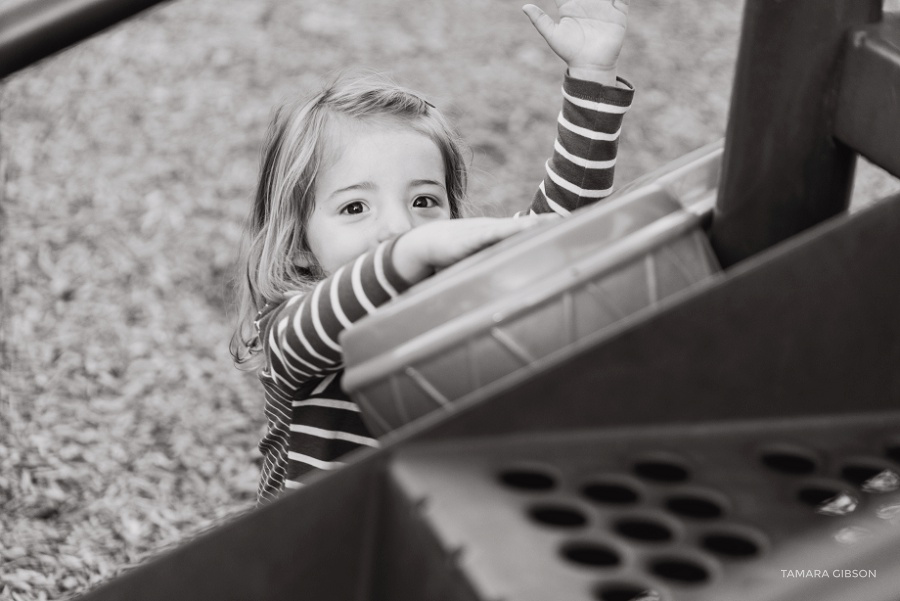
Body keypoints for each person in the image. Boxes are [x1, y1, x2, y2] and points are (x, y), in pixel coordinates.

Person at [232, 0, 635, 503]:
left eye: (424, 200)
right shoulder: (290, 329)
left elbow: (558, 227)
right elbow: (322, 319)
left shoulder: (453, 295)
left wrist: (592, 76)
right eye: (356, 207)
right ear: (298, 242)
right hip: (315, 560)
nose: (399, 226)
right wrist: (414, 250)